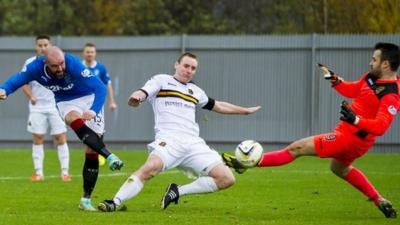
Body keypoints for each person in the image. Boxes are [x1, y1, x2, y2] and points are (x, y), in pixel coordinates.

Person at [223, 43, 400, 219]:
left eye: (374, 59)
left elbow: (381, 127)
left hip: (350, 138)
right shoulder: (371, 77)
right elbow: (353, 89)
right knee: (340, 169)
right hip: (350, 136)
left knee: (297, 148)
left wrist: (355, 119)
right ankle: (379, 200)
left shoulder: (391, 94)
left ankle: (249, 162)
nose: (370, 62)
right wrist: (335, 80)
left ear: (385, 64)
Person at [97, 52, 261, 212]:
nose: (189, 70)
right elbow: (144, 91)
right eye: (186, 66)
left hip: (194, 144)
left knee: (227, 178)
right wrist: (137, 96)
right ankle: (115, 202)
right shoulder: (162, 80)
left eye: (193, 68)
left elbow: (218, 105)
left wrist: (244, 111)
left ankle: (178, 191)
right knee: (150, 168)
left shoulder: (195, 90)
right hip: (169, 141)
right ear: (176, 65)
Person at [0, 46, 124, 211]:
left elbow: (100, 88)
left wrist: (93, 110)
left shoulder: (73, 64)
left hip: (90, 98)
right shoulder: (35, 67)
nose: (60, 69)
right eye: (55, 66)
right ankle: (110, 156)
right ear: (45, 63)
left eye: (61, 64)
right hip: (66, 101)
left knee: (91, 151)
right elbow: (17, 79)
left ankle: (86, 199)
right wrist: (5, 90)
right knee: (72, 118)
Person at [21, 35, 71, 182]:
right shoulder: (29, 63)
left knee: (60, 138)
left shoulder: (59, 62)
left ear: (50, 46)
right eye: (40, 45)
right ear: (36, 47)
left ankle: (65, 172)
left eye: (45, 45)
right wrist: (31, 96)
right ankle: (38, 173)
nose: (42, 48)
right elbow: (22, 82)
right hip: (37, 107)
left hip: (56, 107)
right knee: (38, 138)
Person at [82, 42, 117, 165]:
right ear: (84, 53)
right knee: (83, 130)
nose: (89, 54)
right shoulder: (78, 67)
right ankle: (92, 152)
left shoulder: (100, 68)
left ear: (95, 53)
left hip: (96, 103)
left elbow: (108, 85)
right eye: (87, 52)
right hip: (81, 103)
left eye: (91, 52)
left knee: (98, 131)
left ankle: (99, 152)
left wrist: (112, 101)